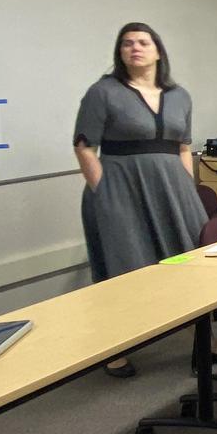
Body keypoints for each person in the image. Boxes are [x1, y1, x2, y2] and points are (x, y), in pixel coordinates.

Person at [73, 22, 209, 378]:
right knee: (123, 269)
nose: (135, 48)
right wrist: (103, 188)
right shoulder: (102, 92)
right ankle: (115, 350)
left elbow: (183, 147)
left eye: (143, 42)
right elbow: (84, 146)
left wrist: (186, 187)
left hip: (173, 189)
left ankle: (205, 339)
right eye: (127, 43)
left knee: (193, 262)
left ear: (157, 51)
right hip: (120, 191)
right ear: (120, 53)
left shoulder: (179, 95)